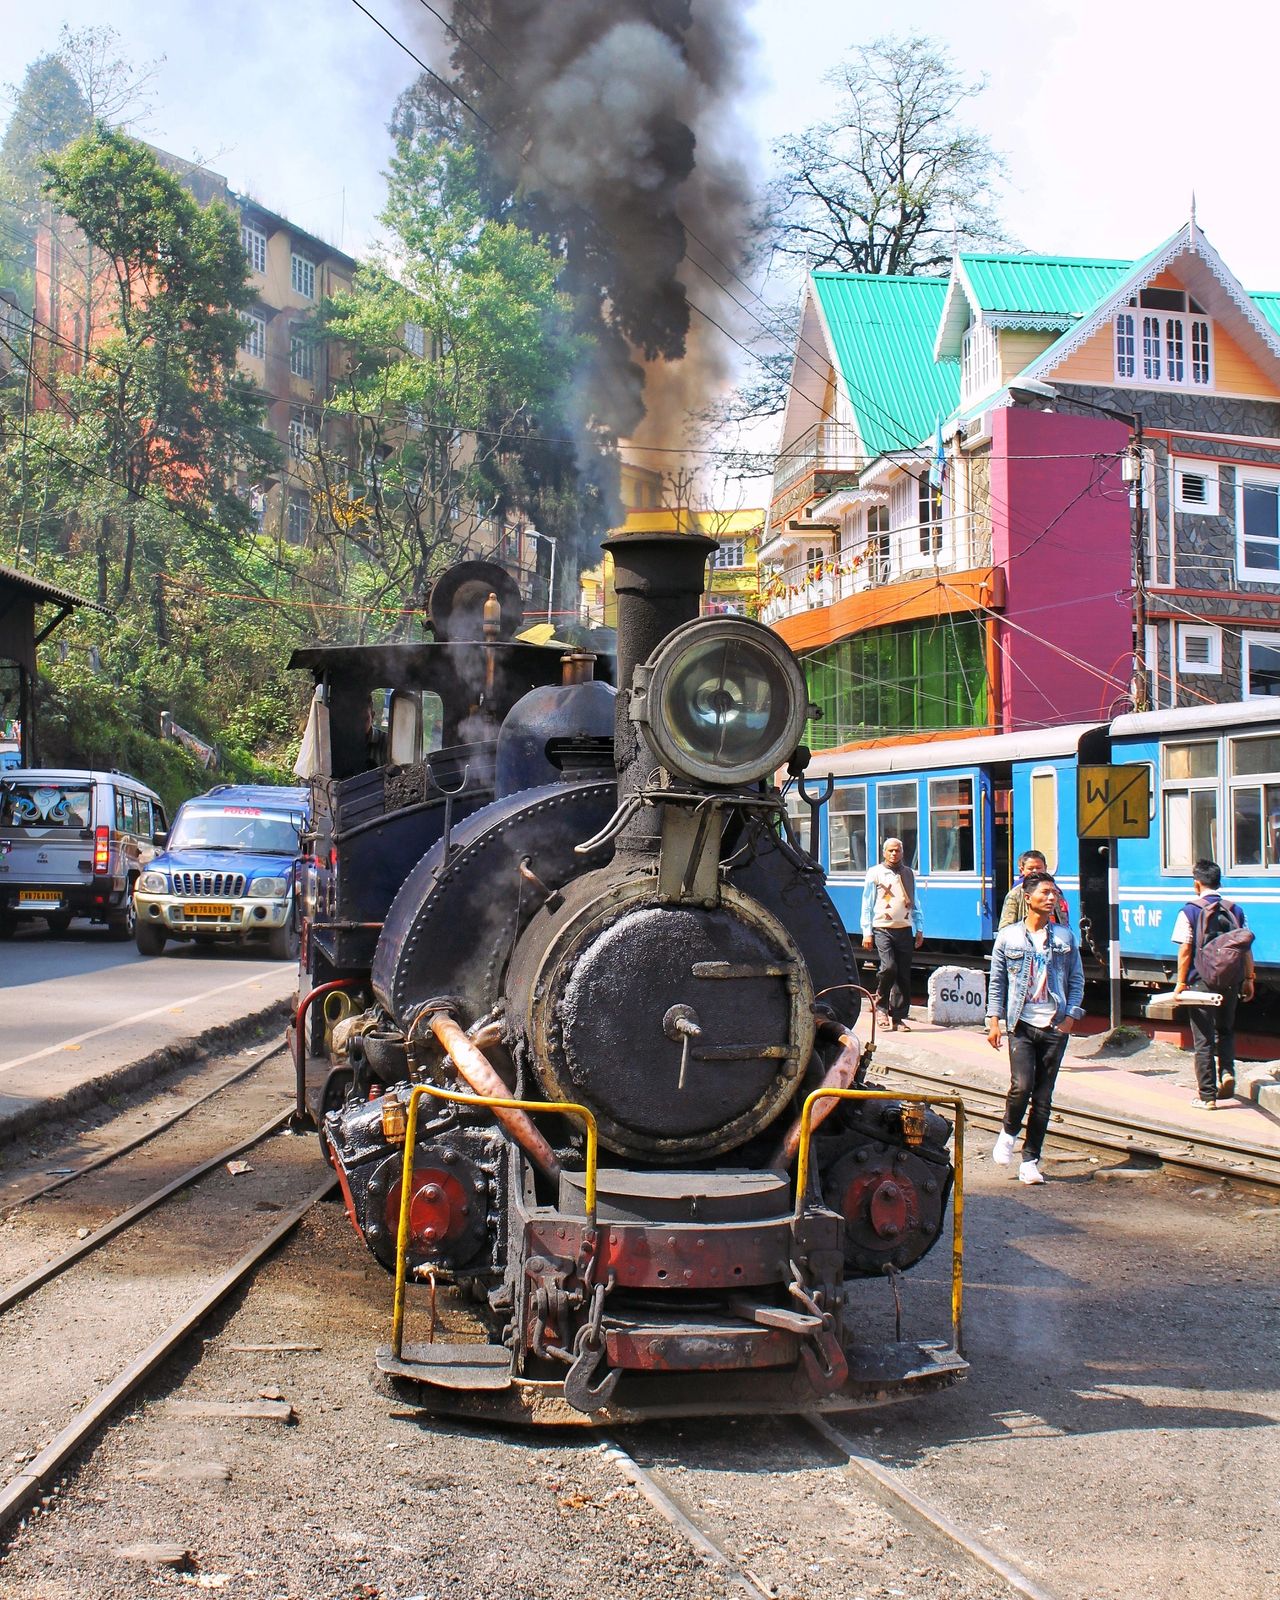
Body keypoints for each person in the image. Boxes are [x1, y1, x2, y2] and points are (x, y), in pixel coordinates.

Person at [985, 871, 1086, 1185]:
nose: (1051, 898)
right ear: (1027, 898)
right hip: (1022, 1023)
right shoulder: (1008, 937)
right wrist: (994, 1020)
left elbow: (1076, 979)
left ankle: (1031, 1161)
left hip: (1055, 1024)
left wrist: (1070, 1016)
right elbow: (998, 982)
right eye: (1045, 892)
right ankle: (1008, 1131)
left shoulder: (1066, 938)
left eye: (1054, 893)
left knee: (1043, 1097)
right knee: (1022, 1086)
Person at [1172, 859, 1256, 1109]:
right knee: (1226, 1031)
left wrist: (1180, 983)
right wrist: (1249, 978)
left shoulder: (1189, 910)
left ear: (1196, 883)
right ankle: (1227, 1073)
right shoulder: (1236, 910)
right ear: (1219, 881)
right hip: (1231, 980)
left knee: (1203, 1039)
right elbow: (1246, 947)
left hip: (1201, 982)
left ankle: (1206, 1096)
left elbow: (1185, 949)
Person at [861, 837, 923, 1030]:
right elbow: (867, 904)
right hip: (882, 928)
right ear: (884, 852)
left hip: (904, 929)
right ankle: (880, 1007)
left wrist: (919, 927)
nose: (894, 854)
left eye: (897, 850)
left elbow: (915, 902)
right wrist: (866, 932)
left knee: (903, 975)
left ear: (902, 853)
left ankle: (898, 1017)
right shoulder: (875, 873)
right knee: (888, 967)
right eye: (891, 851)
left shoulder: (908, 874)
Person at [998, 849, 1069, 929]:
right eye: (1030, 868)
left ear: (1045, 868)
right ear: (1022, 870)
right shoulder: (1015, 894)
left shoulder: (1055, 891)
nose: (1035, 871)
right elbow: (1005, 926)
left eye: (1038, 868)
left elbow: (1063, 920)